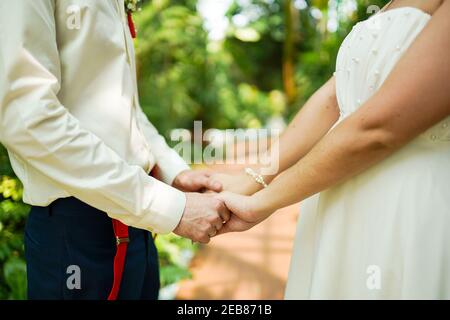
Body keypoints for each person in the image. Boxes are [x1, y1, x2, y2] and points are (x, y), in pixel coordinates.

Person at [212, 0, 450, 299]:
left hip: (408, 204)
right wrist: (252, 178)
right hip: (341, 203)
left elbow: (379, 128)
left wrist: (262, 202)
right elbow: (336, 97)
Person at [0, 0, 228, 299]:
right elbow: (25, 116)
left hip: (138, 223)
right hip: (78, 233)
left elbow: (124, 109)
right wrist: (169, 208)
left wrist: (172, 172)